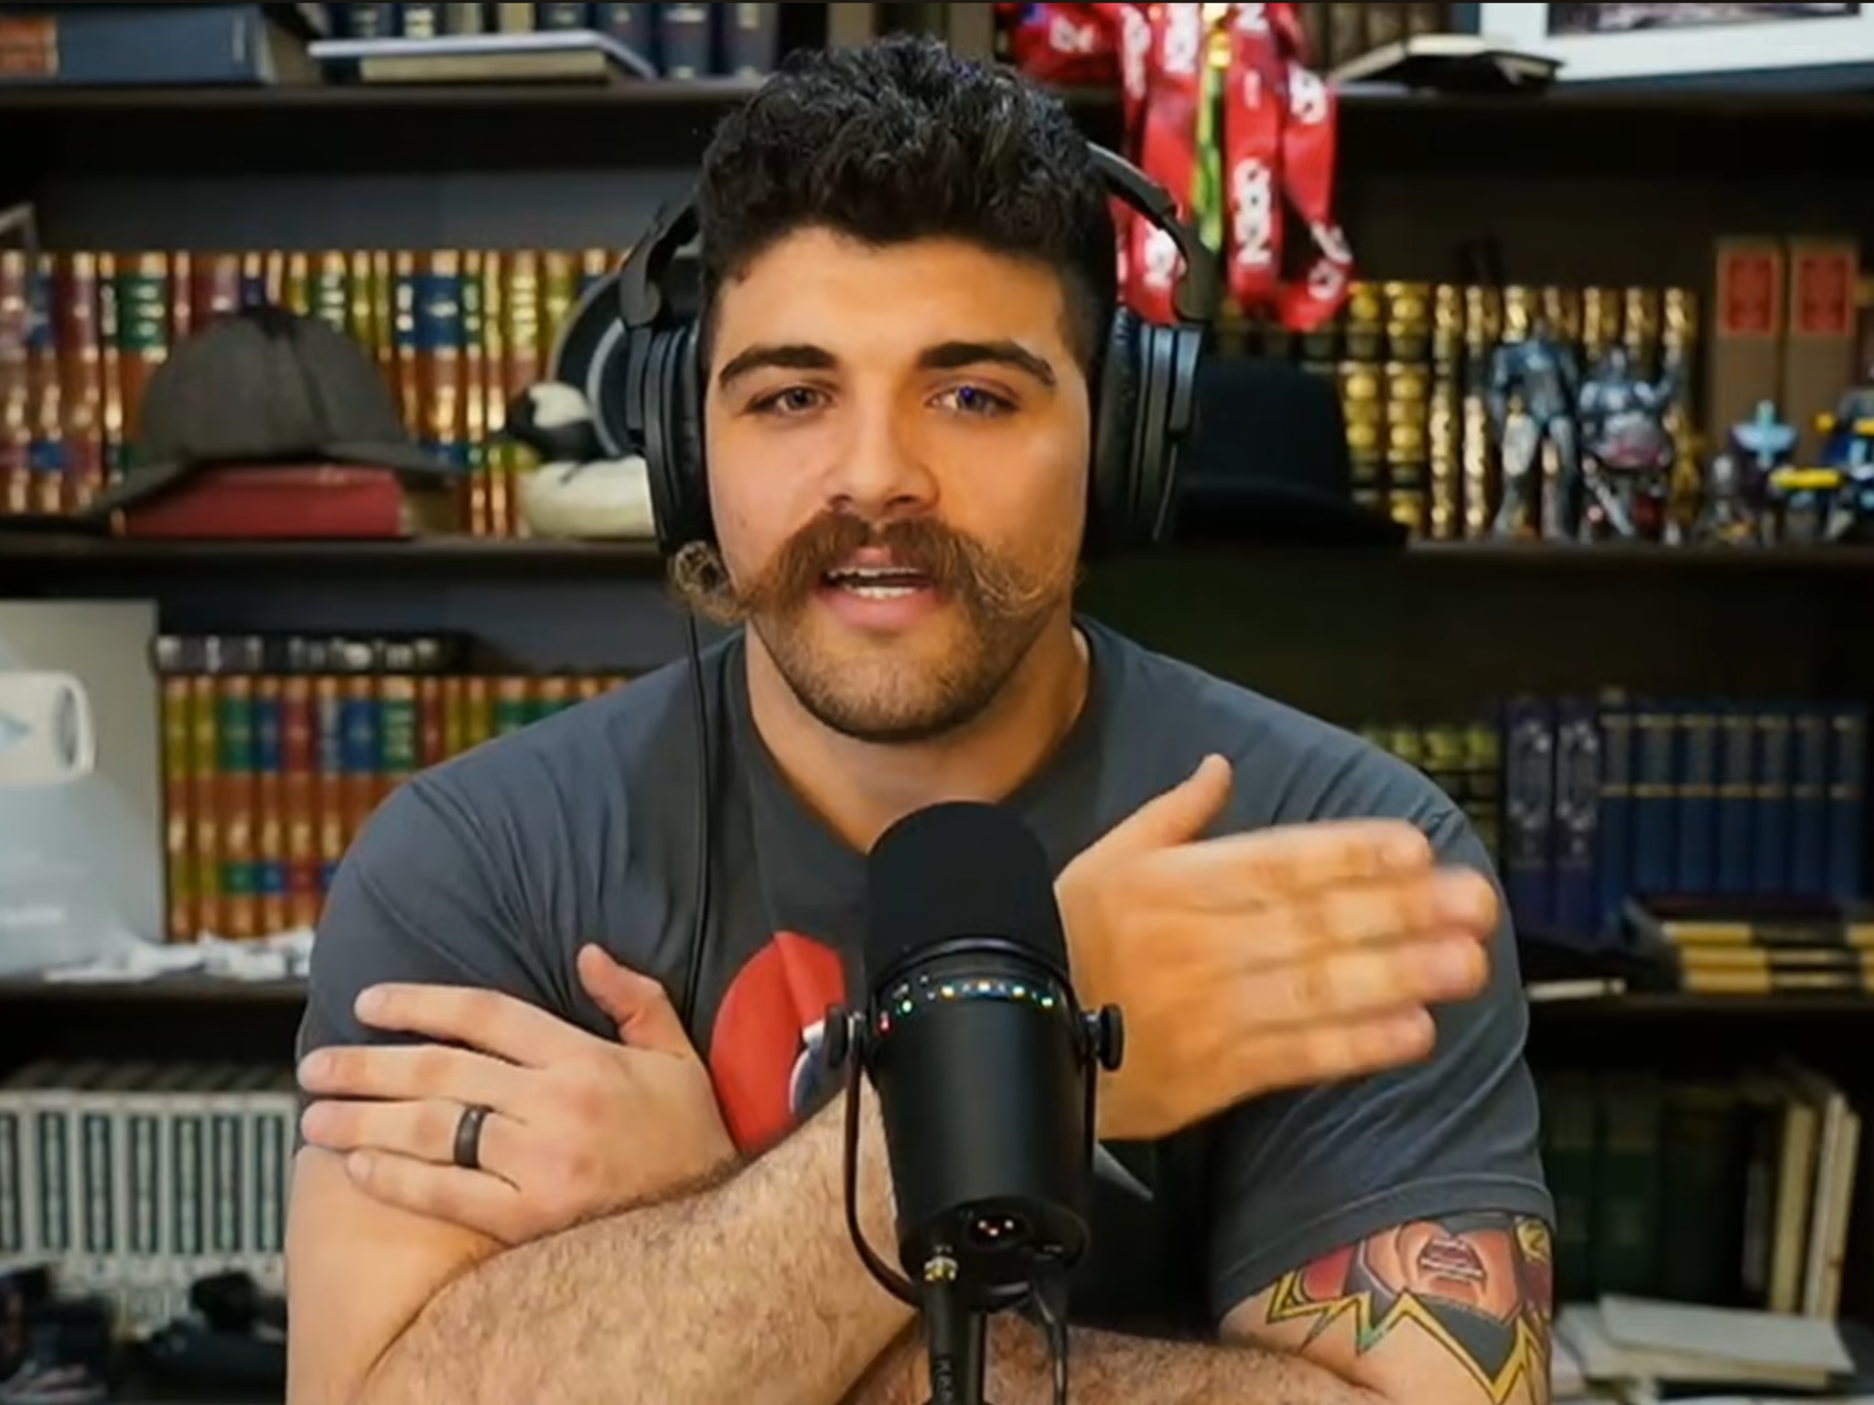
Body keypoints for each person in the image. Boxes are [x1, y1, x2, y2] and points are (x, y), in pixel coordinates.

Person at [284, 34, 1554, 1405]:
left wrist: (714, 1235)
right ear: (684, 444)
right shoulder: (480, 858)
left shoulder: (1341, 858)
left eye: (970, 395)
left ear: (1120, 442)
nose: (876, 476)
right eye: (790, 396)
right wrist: (992, 1090)